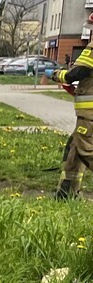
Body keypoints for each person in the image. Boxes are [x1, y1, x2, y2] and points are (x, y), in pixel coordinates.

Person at [52, 25, 93, 198]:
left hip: (90, 113)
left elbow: (77, 73)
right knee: (75, 150)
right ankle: (66, 194)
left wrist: (57, 75)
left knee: (87, 150)